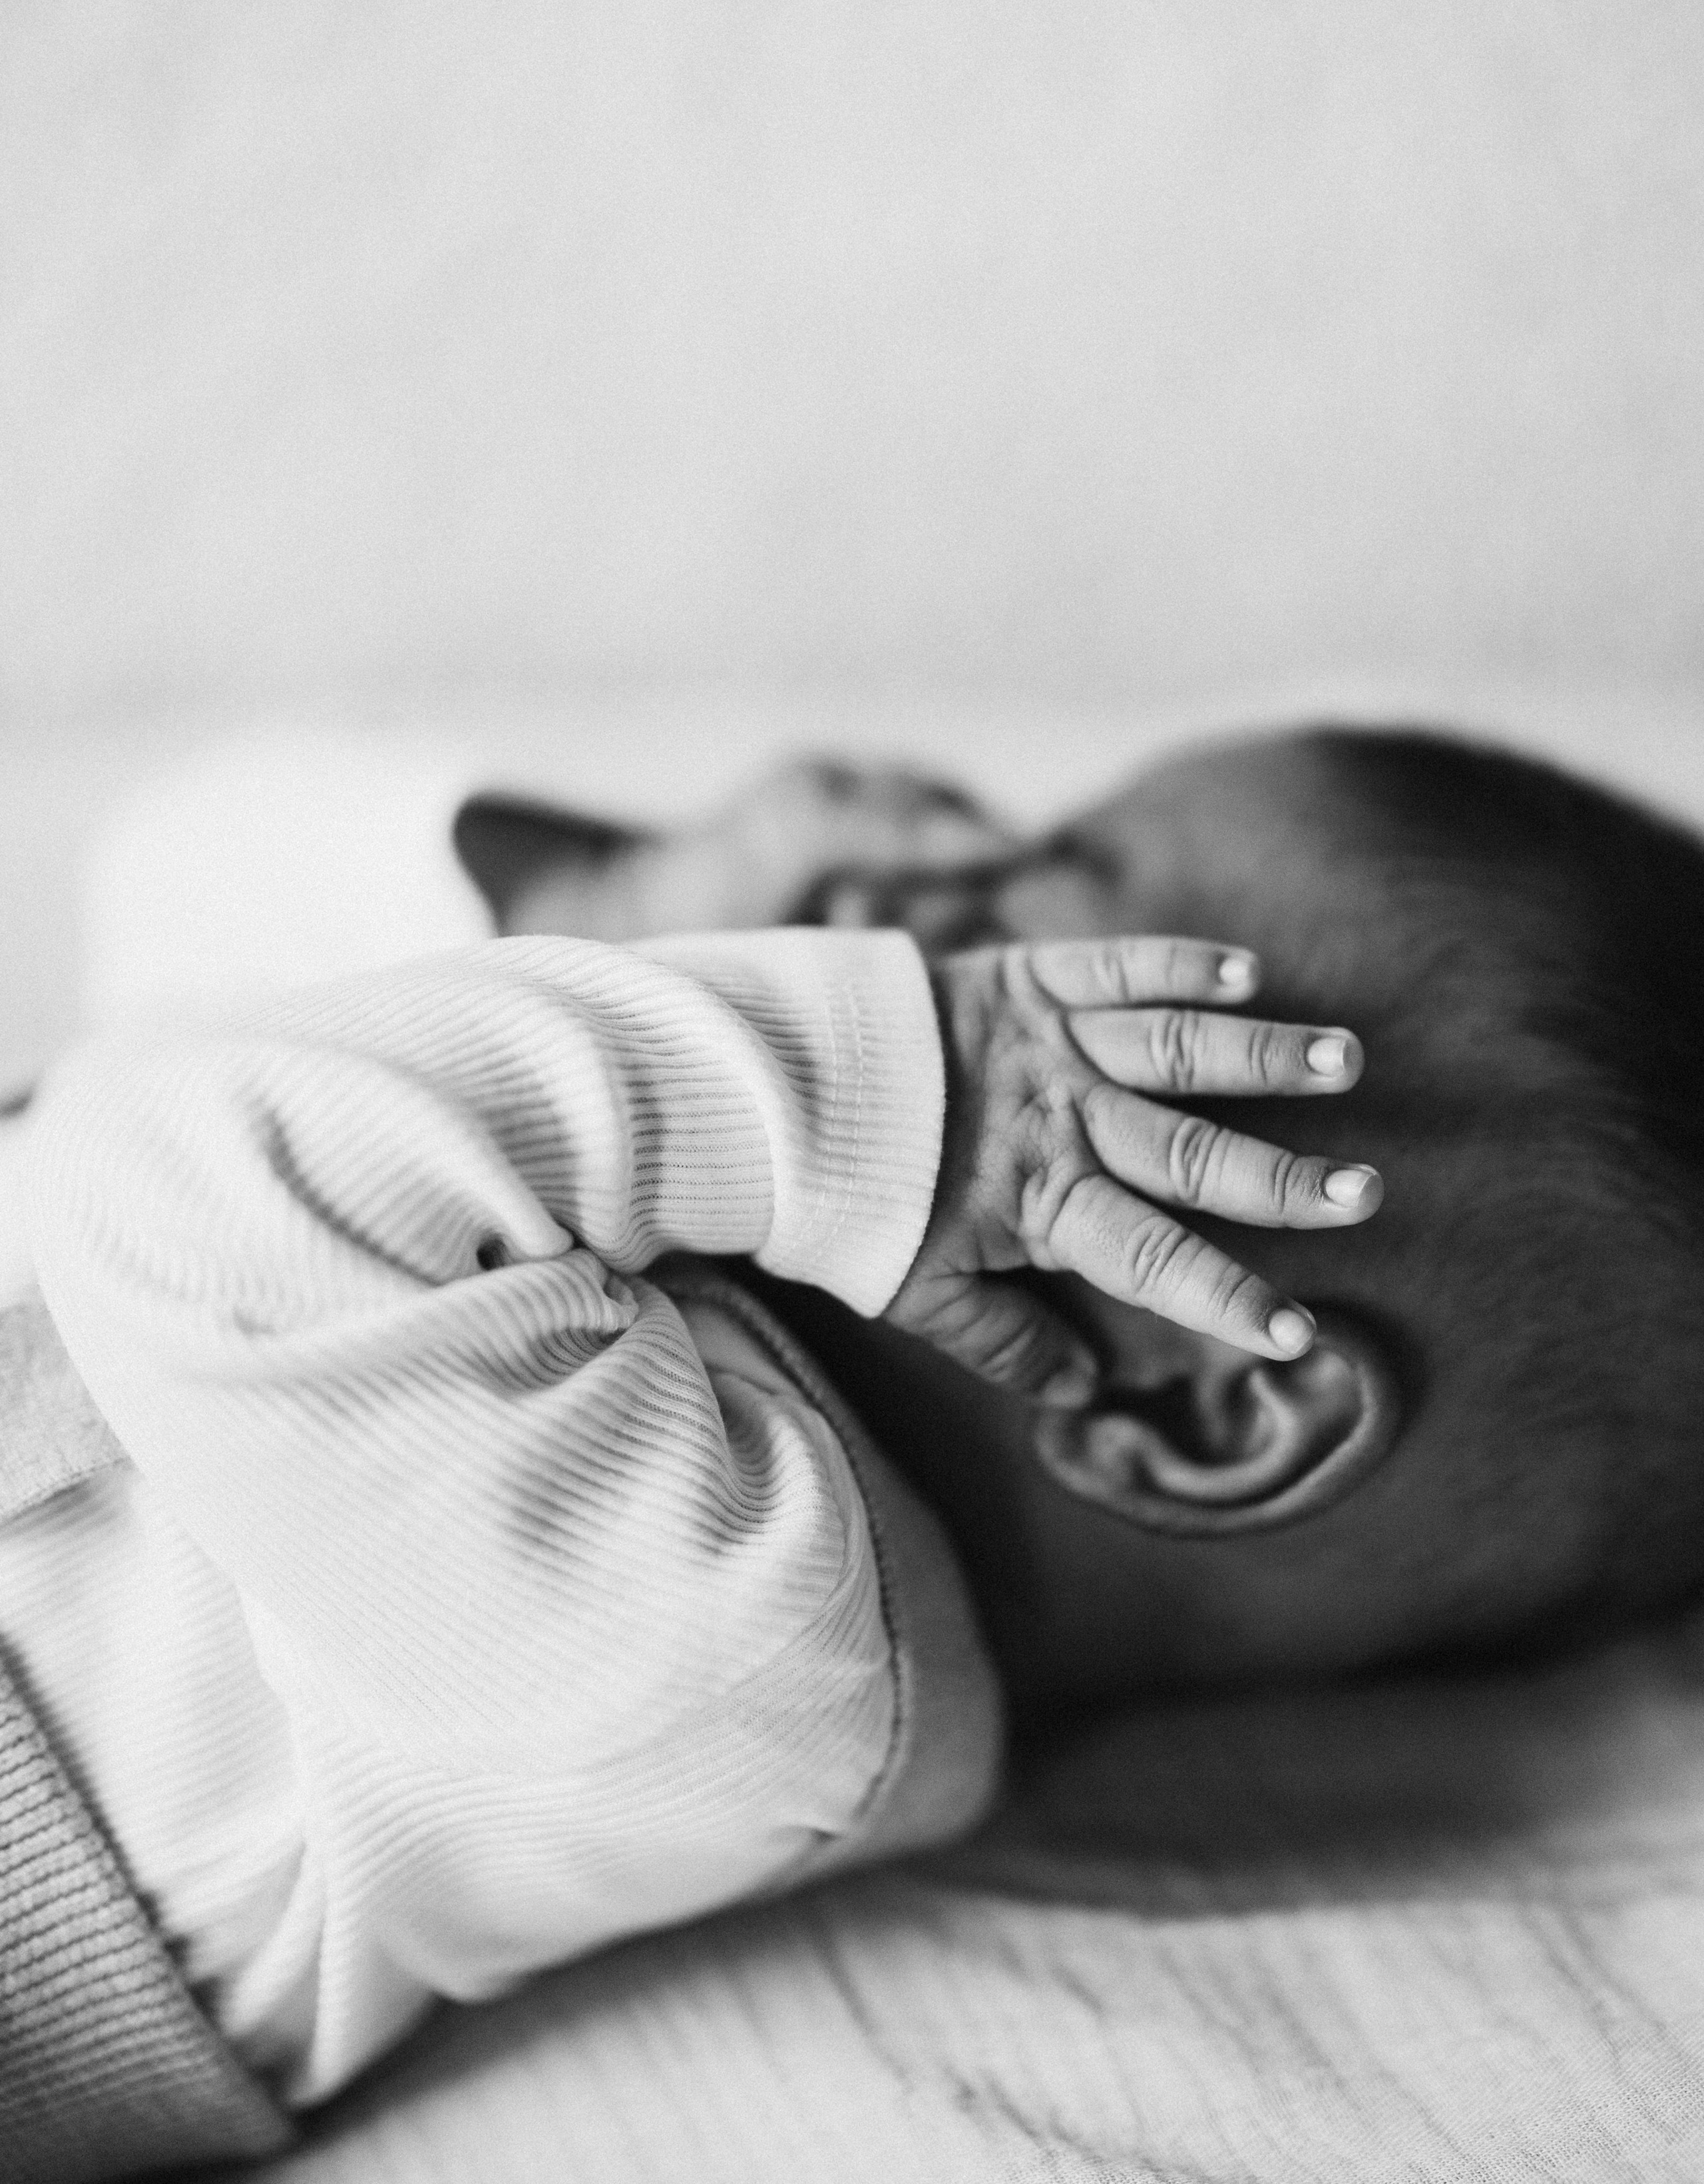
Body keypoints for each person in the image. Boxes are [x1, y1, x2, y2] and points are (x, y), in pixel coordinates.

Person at [0, 744, 1381, 2173]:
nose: (882, 913)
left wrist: (834, 1085)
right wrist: (586, 906)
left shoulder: (746, 1633)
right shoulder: (573, 1170)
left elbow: (201, 1187)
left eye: (999, 944)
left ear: (1199, 1399)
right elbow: (164, 879)